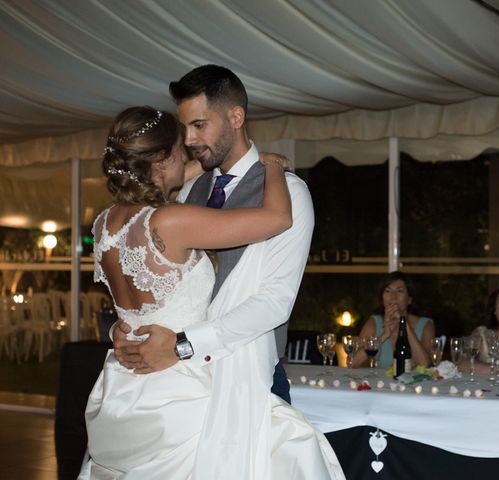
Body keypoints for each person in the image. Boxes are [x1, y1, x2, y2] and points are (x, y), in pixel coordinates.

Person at [79, 106, 343, 479]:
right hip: (184, 382)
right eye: (180, 150)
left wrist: (116, 331)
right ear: (161, 160)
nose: (189, 154)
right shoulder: (170, 220)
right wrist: (271, 167)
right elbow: (278, 219)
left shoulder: (105, 222)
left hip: (130, 381)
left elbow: (134, 307)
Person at [112, 65, 315, 405]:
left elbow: (276, 301)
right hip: (177, 380)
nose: (189, 140)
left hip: (251, 375)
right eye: (185, 128)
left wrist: (182, 345)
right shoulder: (187, 188)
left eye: (199, 125)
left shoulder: (289, 194)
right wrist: (130, 330)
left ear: (236, 117)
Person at [352, 271, 435, 368]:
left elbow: (426, 365)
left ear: (409, 299)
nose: (393, 297)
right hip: (380, 383)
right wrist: (384, 335)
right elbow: (353, 363)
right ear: (382, 299)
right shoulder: (374, 323)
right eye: (387, 291)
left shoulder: (426, 324)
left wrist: (404, 324)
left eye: (400, 291)